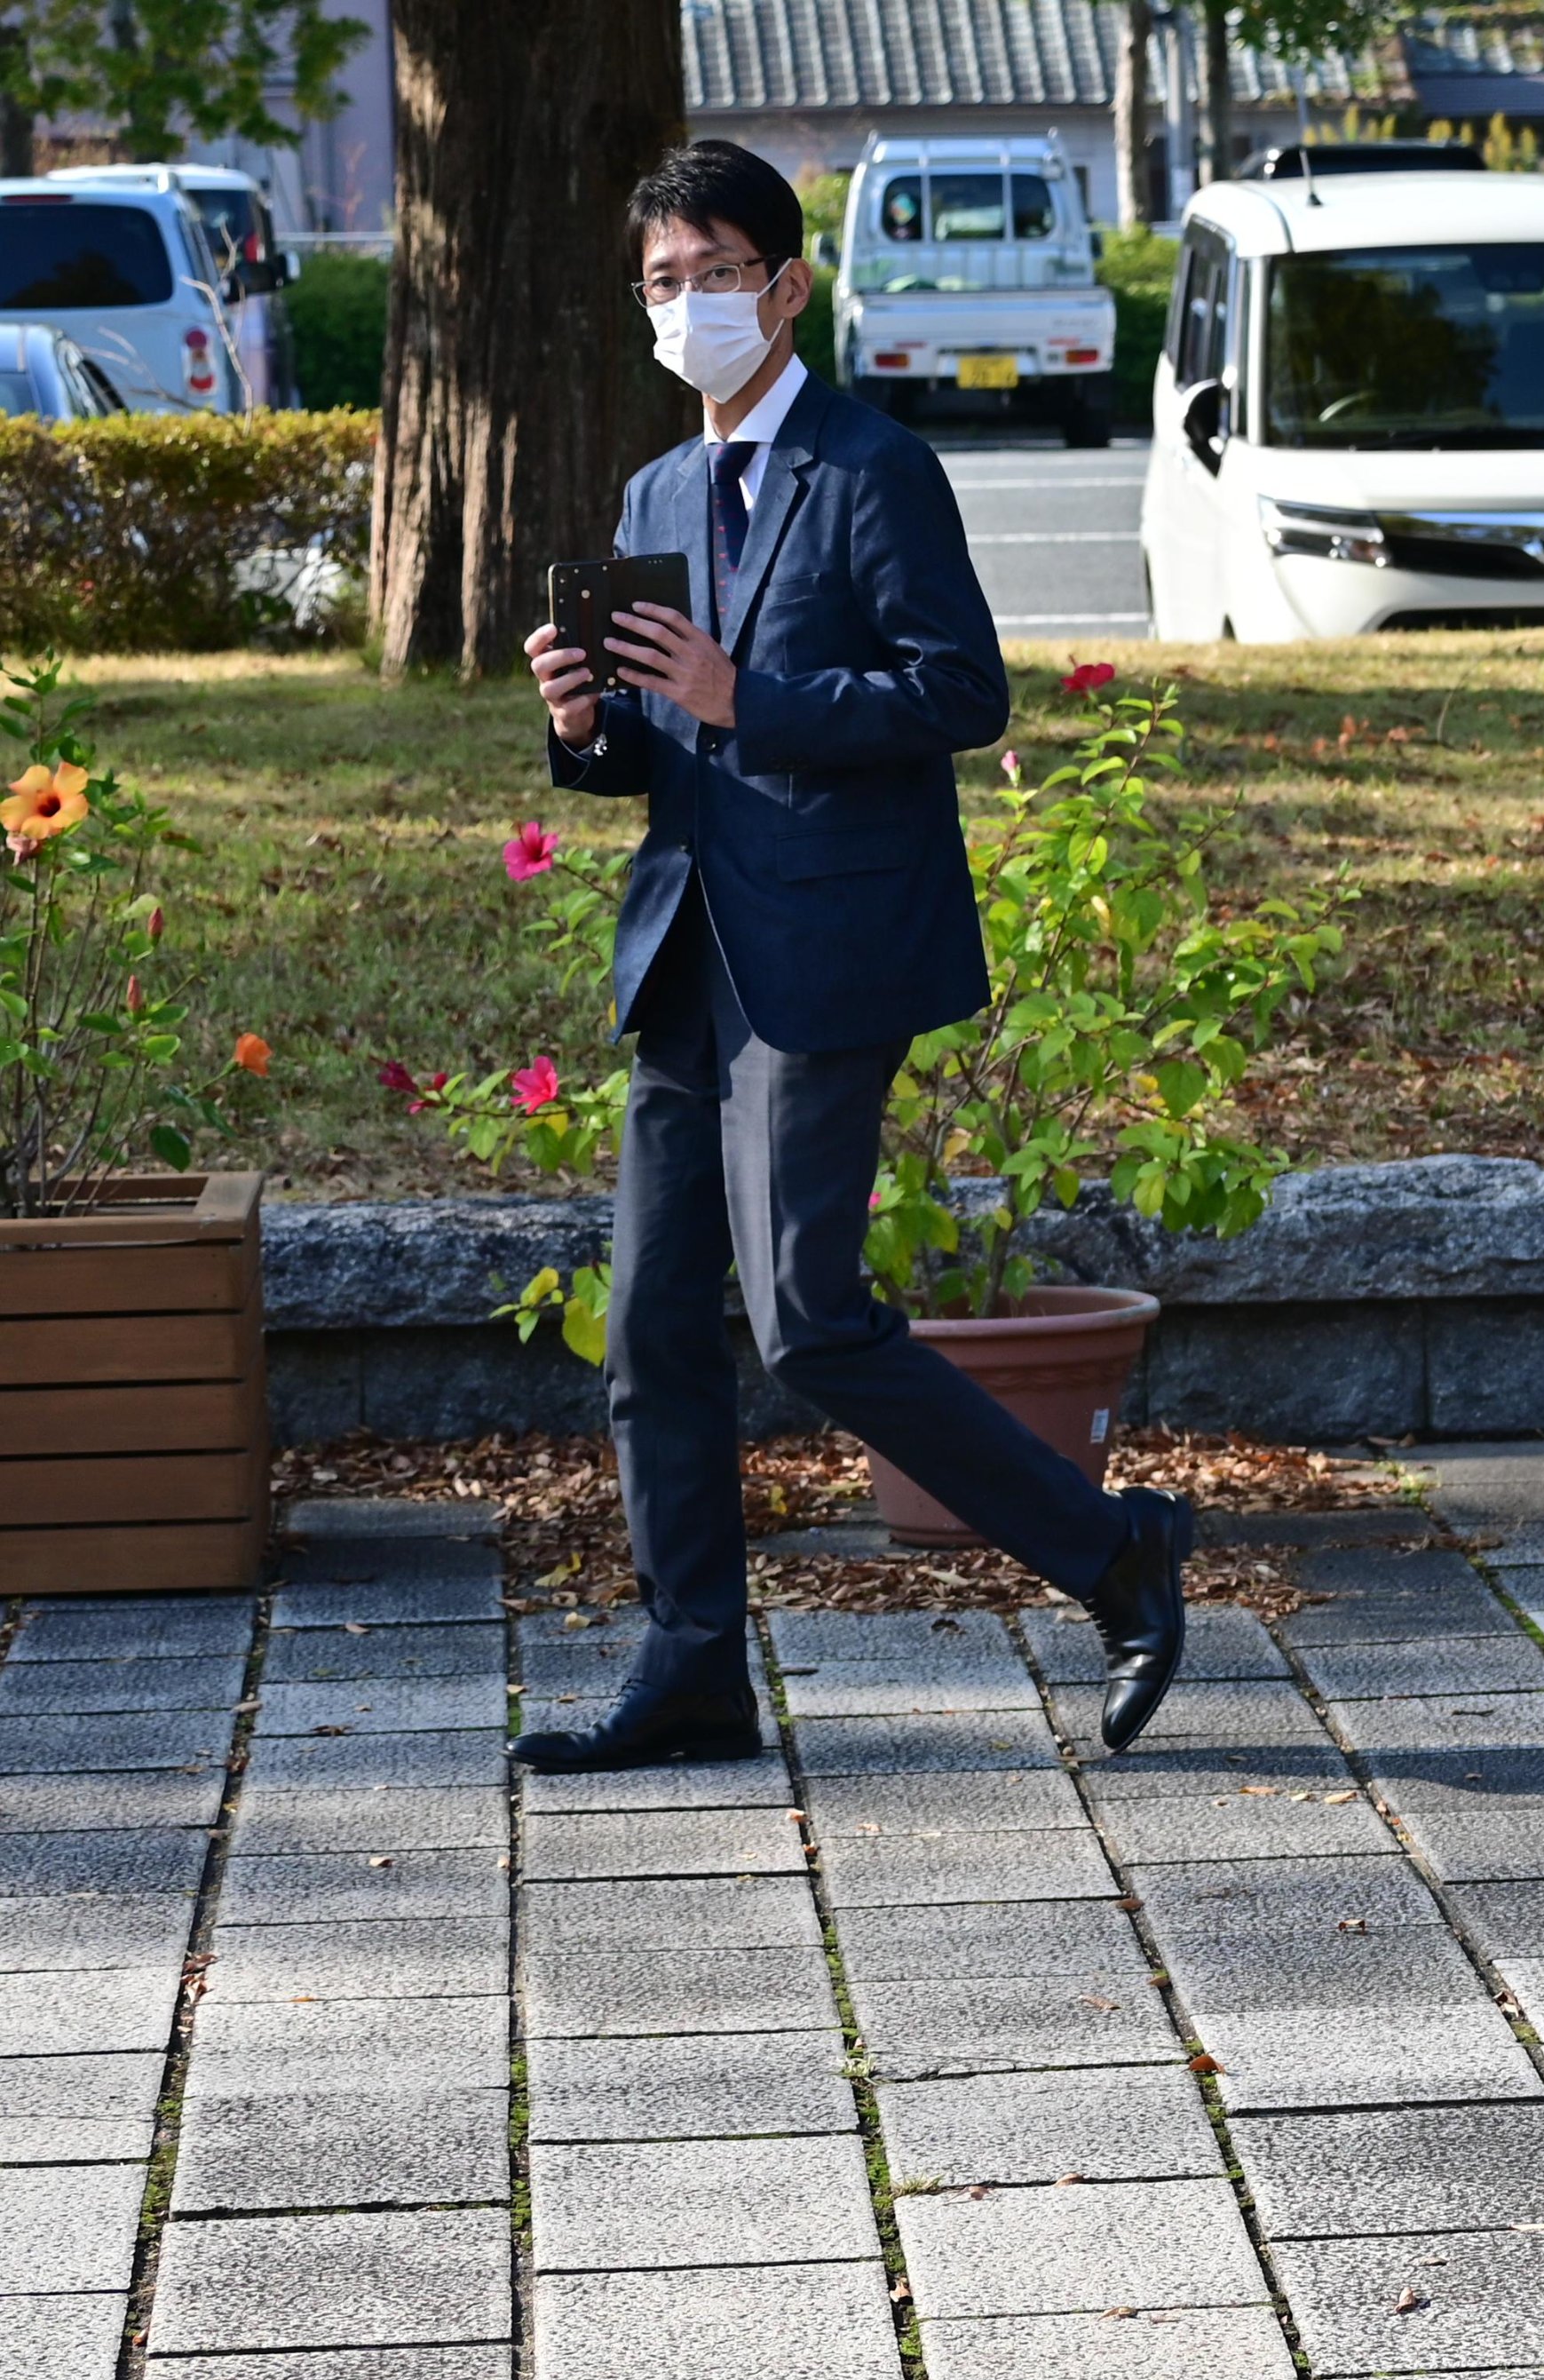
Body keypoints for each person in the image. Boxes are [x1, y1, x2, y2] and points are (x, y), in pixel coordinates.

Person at [513, 140, 1194, 1772]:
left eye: (718, 274)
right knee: (656, 1324)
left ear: (789, 288)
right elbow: (666, 752)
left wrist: (750, 697)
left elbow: (960, 691)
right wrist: (589, 730)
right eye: (663, 282)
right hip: (688, 953)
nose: (688, 305)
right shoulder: (655, 496)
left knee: (809, 1316)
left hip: (828, 947)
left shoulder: (874, 467)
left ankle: (1116, 1556)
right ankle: (693, 1669)